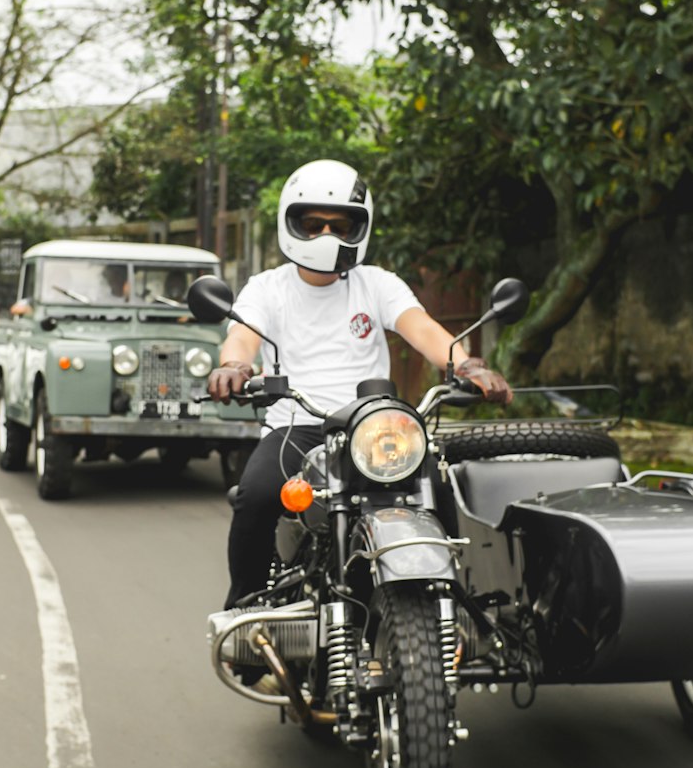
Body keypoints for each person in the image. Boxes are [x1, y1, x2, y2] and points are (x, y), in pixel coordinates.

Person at [207, 158, 513, 609]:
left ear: (360, 228)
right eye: (312, 224)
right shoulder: (267, 288)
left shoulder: (376, 284)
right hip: (297, 426)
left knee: (445, 495)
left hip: (376, 428)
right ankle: (244, 608)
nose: (326, 236)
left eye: (340, 225)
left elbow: (424, 330)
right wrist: (234, 366)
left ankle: (460, 607)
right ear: (291, 223)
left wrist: (466, 366)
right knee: (254, 498)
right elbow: (242, 336)